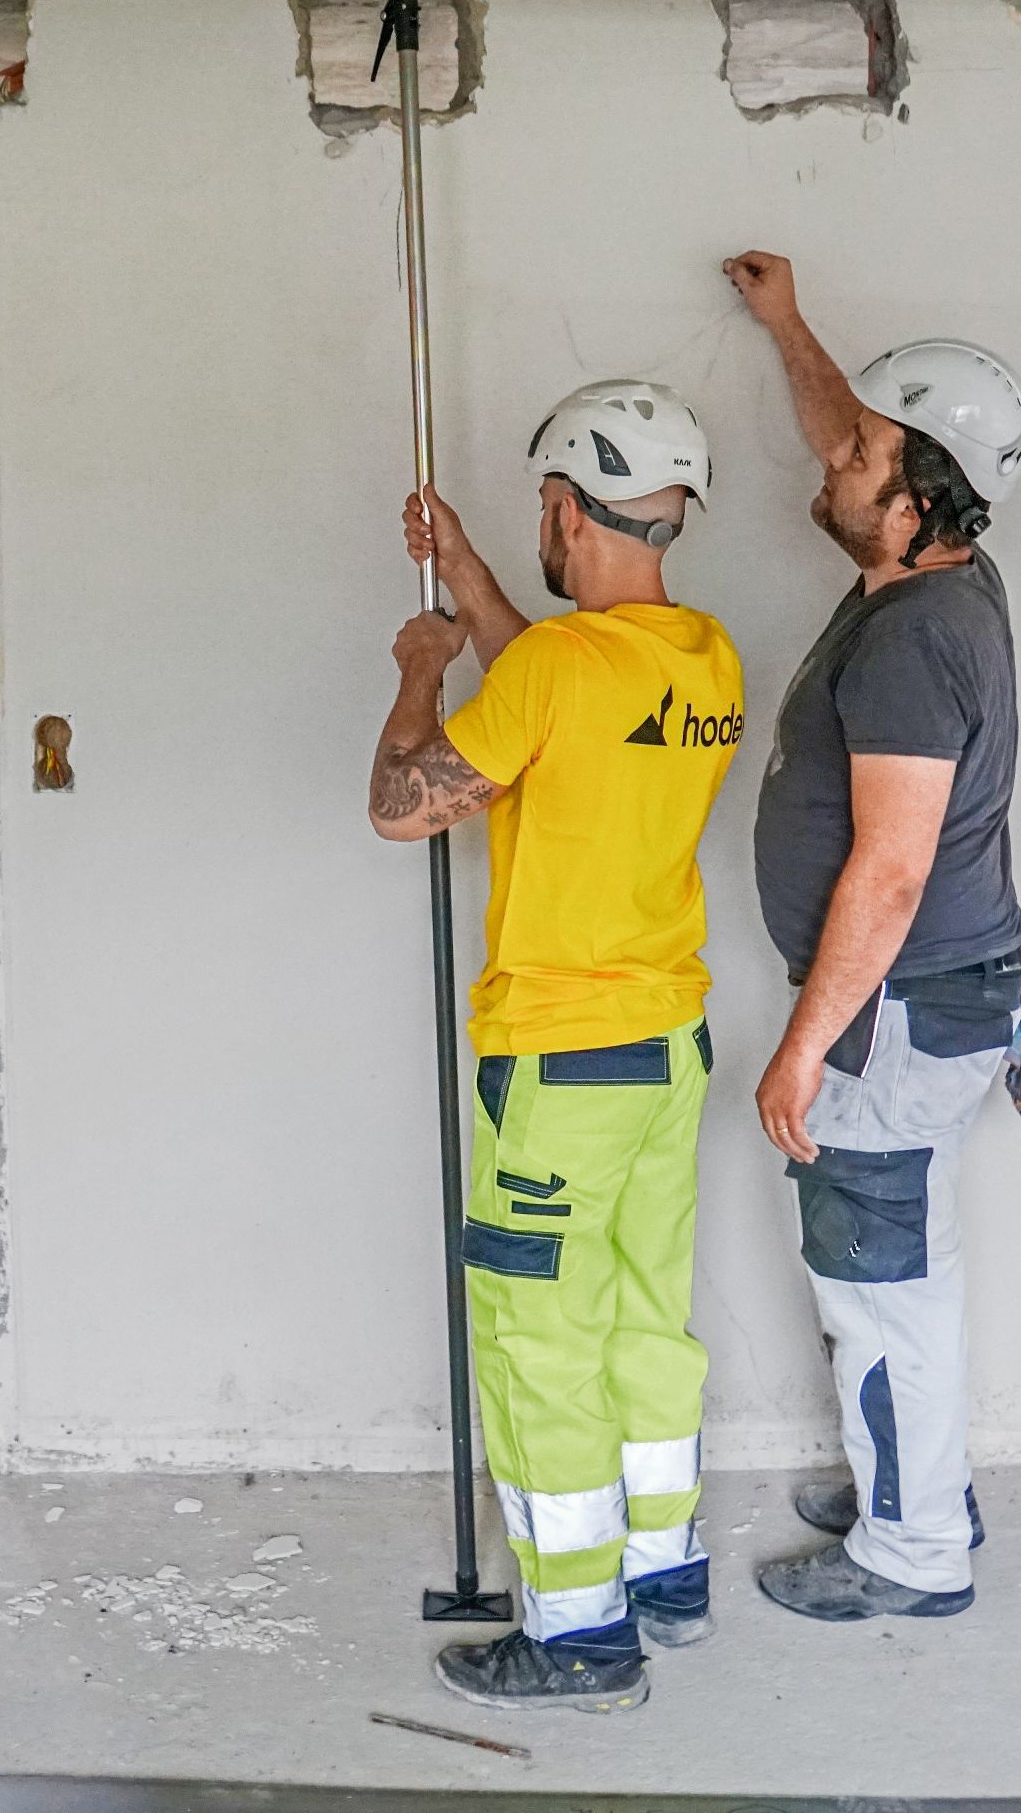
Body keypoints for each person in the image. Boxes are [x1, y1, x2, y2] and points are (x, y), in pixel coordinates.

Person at [368, 380, 744, 1712]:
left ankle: (580, 1634)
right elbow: (560, 689)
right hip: (667, 1049)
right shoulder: (701, 657)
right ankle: (666, 1574)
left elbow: (405, 810)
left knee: (538, 1338)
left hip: (561, 1064)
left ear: (566, 508)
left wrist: (422, 670)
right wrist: (470, 566)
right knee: (649, 1315)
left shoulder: (550, 674)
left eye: (541, 506)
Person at [723, 248, 1021, 1623]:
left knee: (879, 1294)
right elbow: (849, 429)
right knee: (908, 1274)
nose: (833, 457)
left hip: (894, 1012)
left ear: (913, 502)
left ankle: (912, 1558)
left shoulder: (914, 637)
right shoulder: (934, 578)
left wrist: (804, 1053)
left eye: (862, 453)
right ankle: (918, 1487)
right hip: (931, 1003)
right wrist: (789, 326)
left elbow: (891, 871)